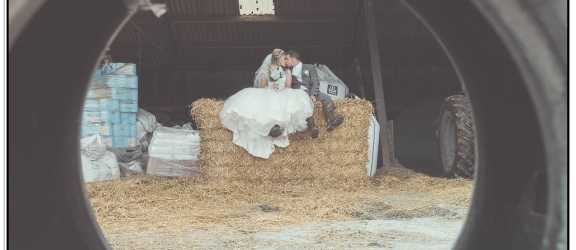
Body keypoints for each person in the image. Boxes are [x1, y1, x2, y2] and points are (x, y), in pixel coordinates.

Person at [219, 49, 314, 159]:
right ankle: (270, 128)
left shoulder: (288, 71)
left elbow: (288, 85)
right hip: (269, 91)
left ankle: (278, 127)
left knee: (288, 100)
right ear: (278, 59)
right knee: (265, 104)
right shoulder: (267, 70)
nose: (286, 60)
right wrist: (271, 87)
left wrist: (280, 89)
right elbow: (263, 85)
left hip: (283, 92)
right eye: (284, 58)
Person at [285, 50, 344, 139]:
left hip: (310, 90)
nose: (286, 61)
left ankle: (330, 121)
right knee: (304, 104)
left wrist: (313, 94)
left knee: (326, 97)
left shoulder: (309, 68)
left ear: (294, 59)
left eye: (287, 59)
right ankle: (312, 127)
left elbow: (315, 82)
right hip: (298, 93)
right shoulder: (287, 71)